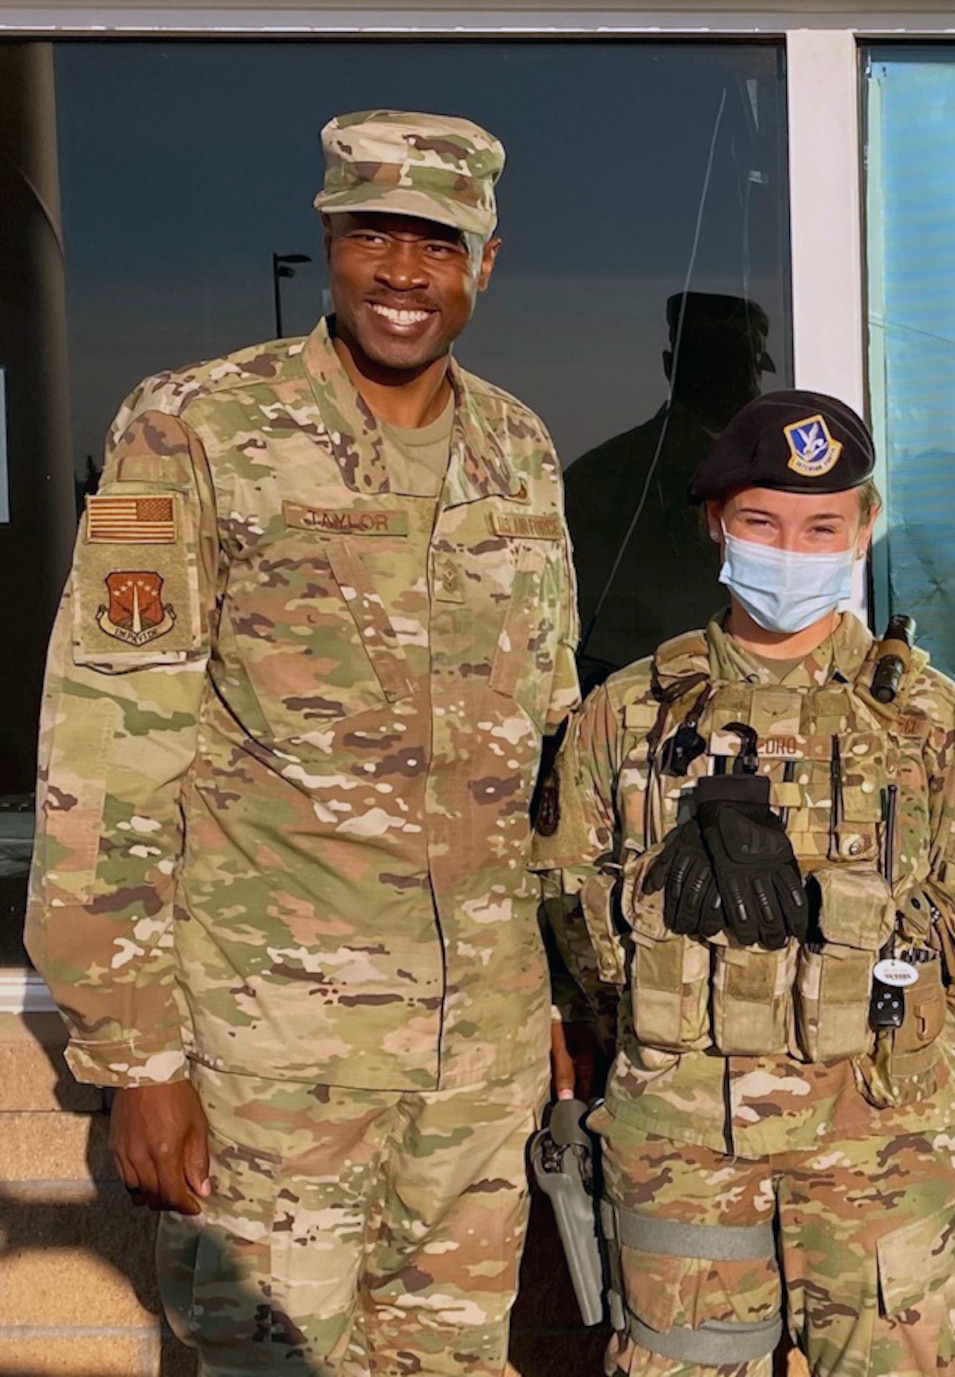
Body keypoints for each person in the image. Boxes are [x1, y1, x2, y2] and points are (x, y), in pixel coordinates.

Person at [24, 109, 578, 1375]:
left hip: (478, 1055)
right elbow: (109, 749)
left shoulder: (519, 453)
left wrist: (544, 978)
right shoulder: (197, 428)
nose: (402, 270)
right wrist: (135, 1057)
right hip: (277, 1053)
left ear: (485, 262)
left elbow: (533, 745)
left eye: (436, 242)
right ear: (327, 239)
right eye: (372, 231)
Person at [534, 390, 955, 1377]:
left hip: (882, 1145)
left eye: (820, 527)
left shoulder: (929, 720)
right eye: (760, 522)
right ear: (714, 522)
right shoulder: (624, 715)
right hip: (680, 1144)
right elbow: (570, 919)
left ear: (864, 528)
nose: (789, 550)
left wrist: (876, 1026)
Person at [565, 292, 775, 690]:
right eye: (719, 367)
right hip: (634, 700)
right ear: (671, 368)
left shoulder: (759, 474)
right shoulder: (612, 476)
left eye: (743, 368)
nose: (744, 385)